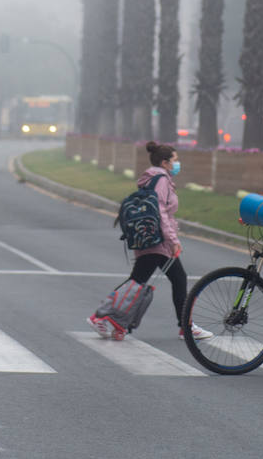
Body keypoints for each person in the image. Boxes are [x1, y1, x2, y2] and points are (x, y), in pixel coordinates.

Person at [90, 141, 211, 341]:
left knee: (154, 280)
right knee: (146, 281)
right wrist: (172, 240)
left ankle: (184, 326)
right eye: (175, 160)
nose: (177, 163)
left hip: (152, 238)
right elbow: (160, 211)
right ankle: (101, 316)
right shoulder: (161, 179)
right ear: (165, 162)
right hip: (158, 241)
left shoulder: (151, 178)